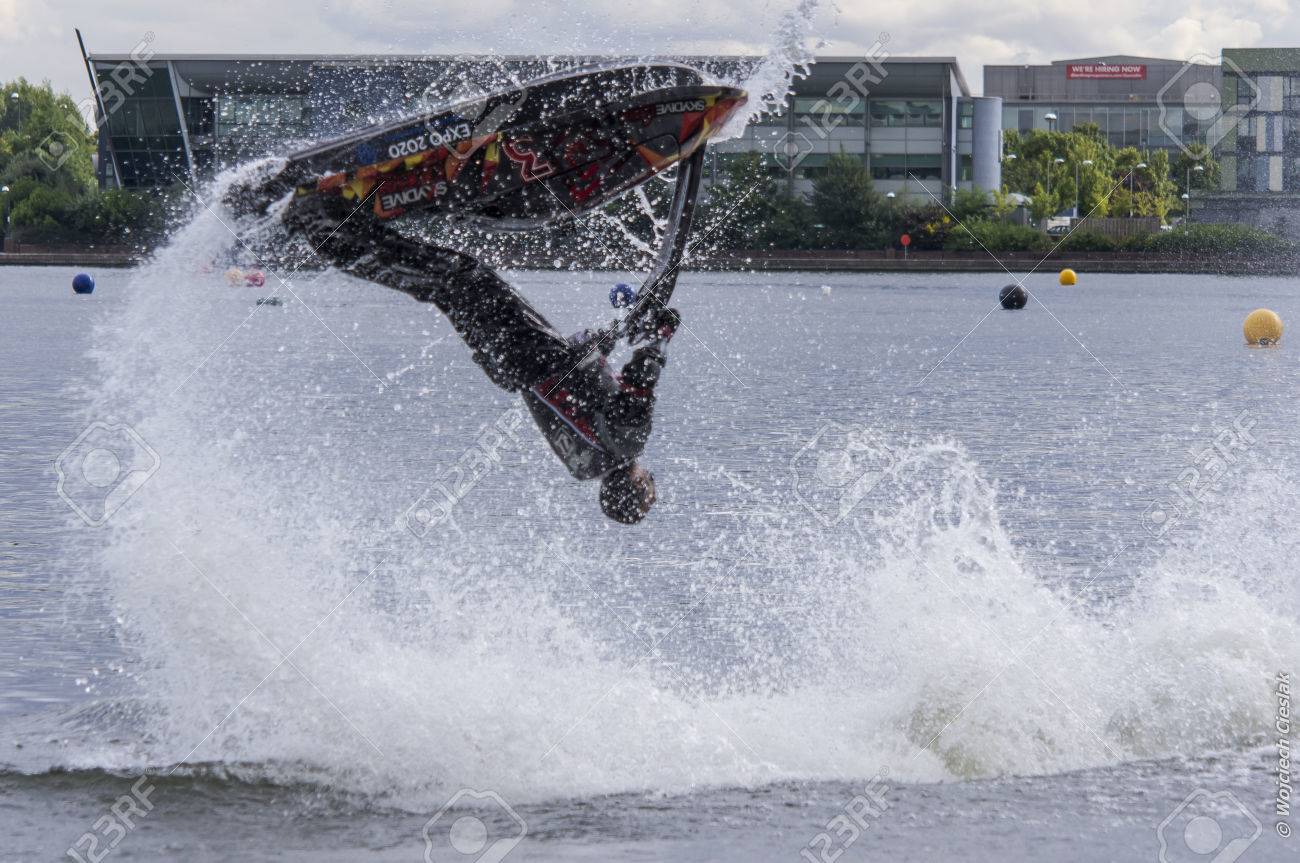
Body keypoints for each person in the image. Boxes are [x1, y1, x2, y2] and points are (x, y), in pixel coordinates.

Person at [285, 196, 680, 525]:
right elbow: (576, 391)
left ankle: (331, 235)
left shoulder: (628, 442)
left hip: (531, 353)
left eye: (650, 497)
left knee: (460, 277)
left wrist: (657, 337)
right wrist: (615, 333)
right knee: (447, 286)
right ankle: (333, 234)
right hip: (513, 366)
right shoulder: (585, 466)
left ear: (639, 486)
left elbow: (639, 381)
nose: (656, 492)